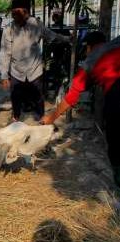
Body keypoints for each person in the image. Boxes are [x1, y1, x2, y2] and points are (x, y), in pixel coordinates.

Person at [42, 32, 120, 186]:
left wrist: (51, 118)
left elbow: (72, 97)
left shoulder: (92, 59)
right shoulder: (116, 43)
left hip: (117, 93)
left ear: (88, 48)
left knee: (116, 142)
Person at [0, 0, 70, 121]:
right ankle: (16, 118)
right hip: (16, 71)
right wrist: (4, 75)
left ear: (26, 12)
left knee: (38, 97)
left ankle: (41, 119)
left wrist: (67, 39)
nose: (15, 16)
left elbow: (52, 36)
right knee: (16, 97)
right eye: (13, 13)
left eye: (18, 13)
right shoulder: (8, 29)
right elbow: (5, 53)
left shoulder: (36, 24)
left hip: (34, 69)